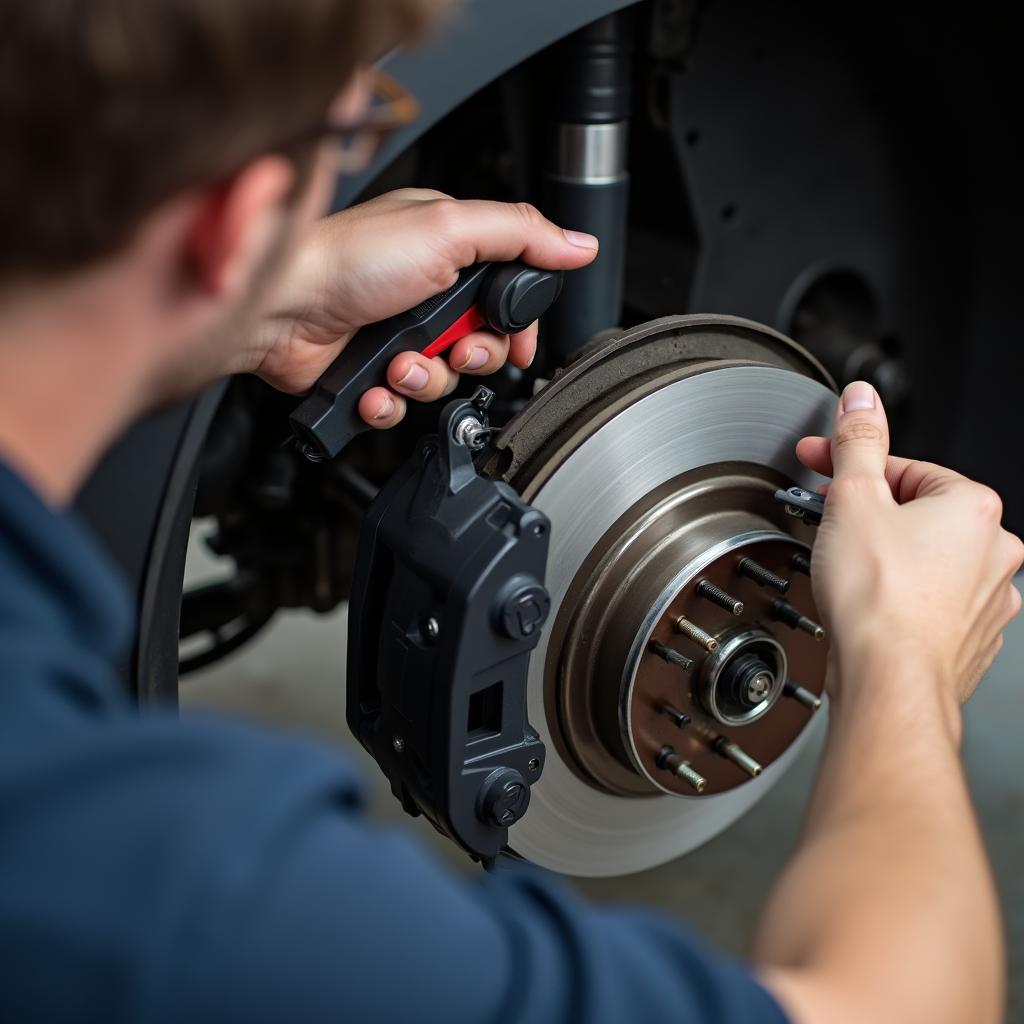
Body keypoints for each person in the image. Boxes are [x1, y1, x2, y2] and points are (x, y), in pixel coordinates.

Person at [0, 2, 1019, 1022]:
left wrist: (270, 297)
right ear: (234, 221)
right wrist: (901, 657)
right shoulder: (168, 891)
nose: (359, 156)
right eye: (352, 140)